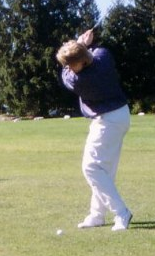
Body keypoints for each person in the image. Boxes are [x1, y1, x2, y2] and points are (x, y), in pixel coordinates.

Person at [56, 29, 132, 231]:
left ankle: (121, 213)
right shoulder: (103, 57)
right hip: (119, 115)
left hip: (108, 120)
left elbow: (65, 76)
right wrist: (83, 44)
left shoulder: (79, 79)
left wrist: (80, 42)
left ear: (81, 63)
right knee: (104, 170)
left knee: (90, 167)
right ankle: (97, 215)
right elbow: (92, 52)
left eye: (71, 65)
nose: (69, 68)